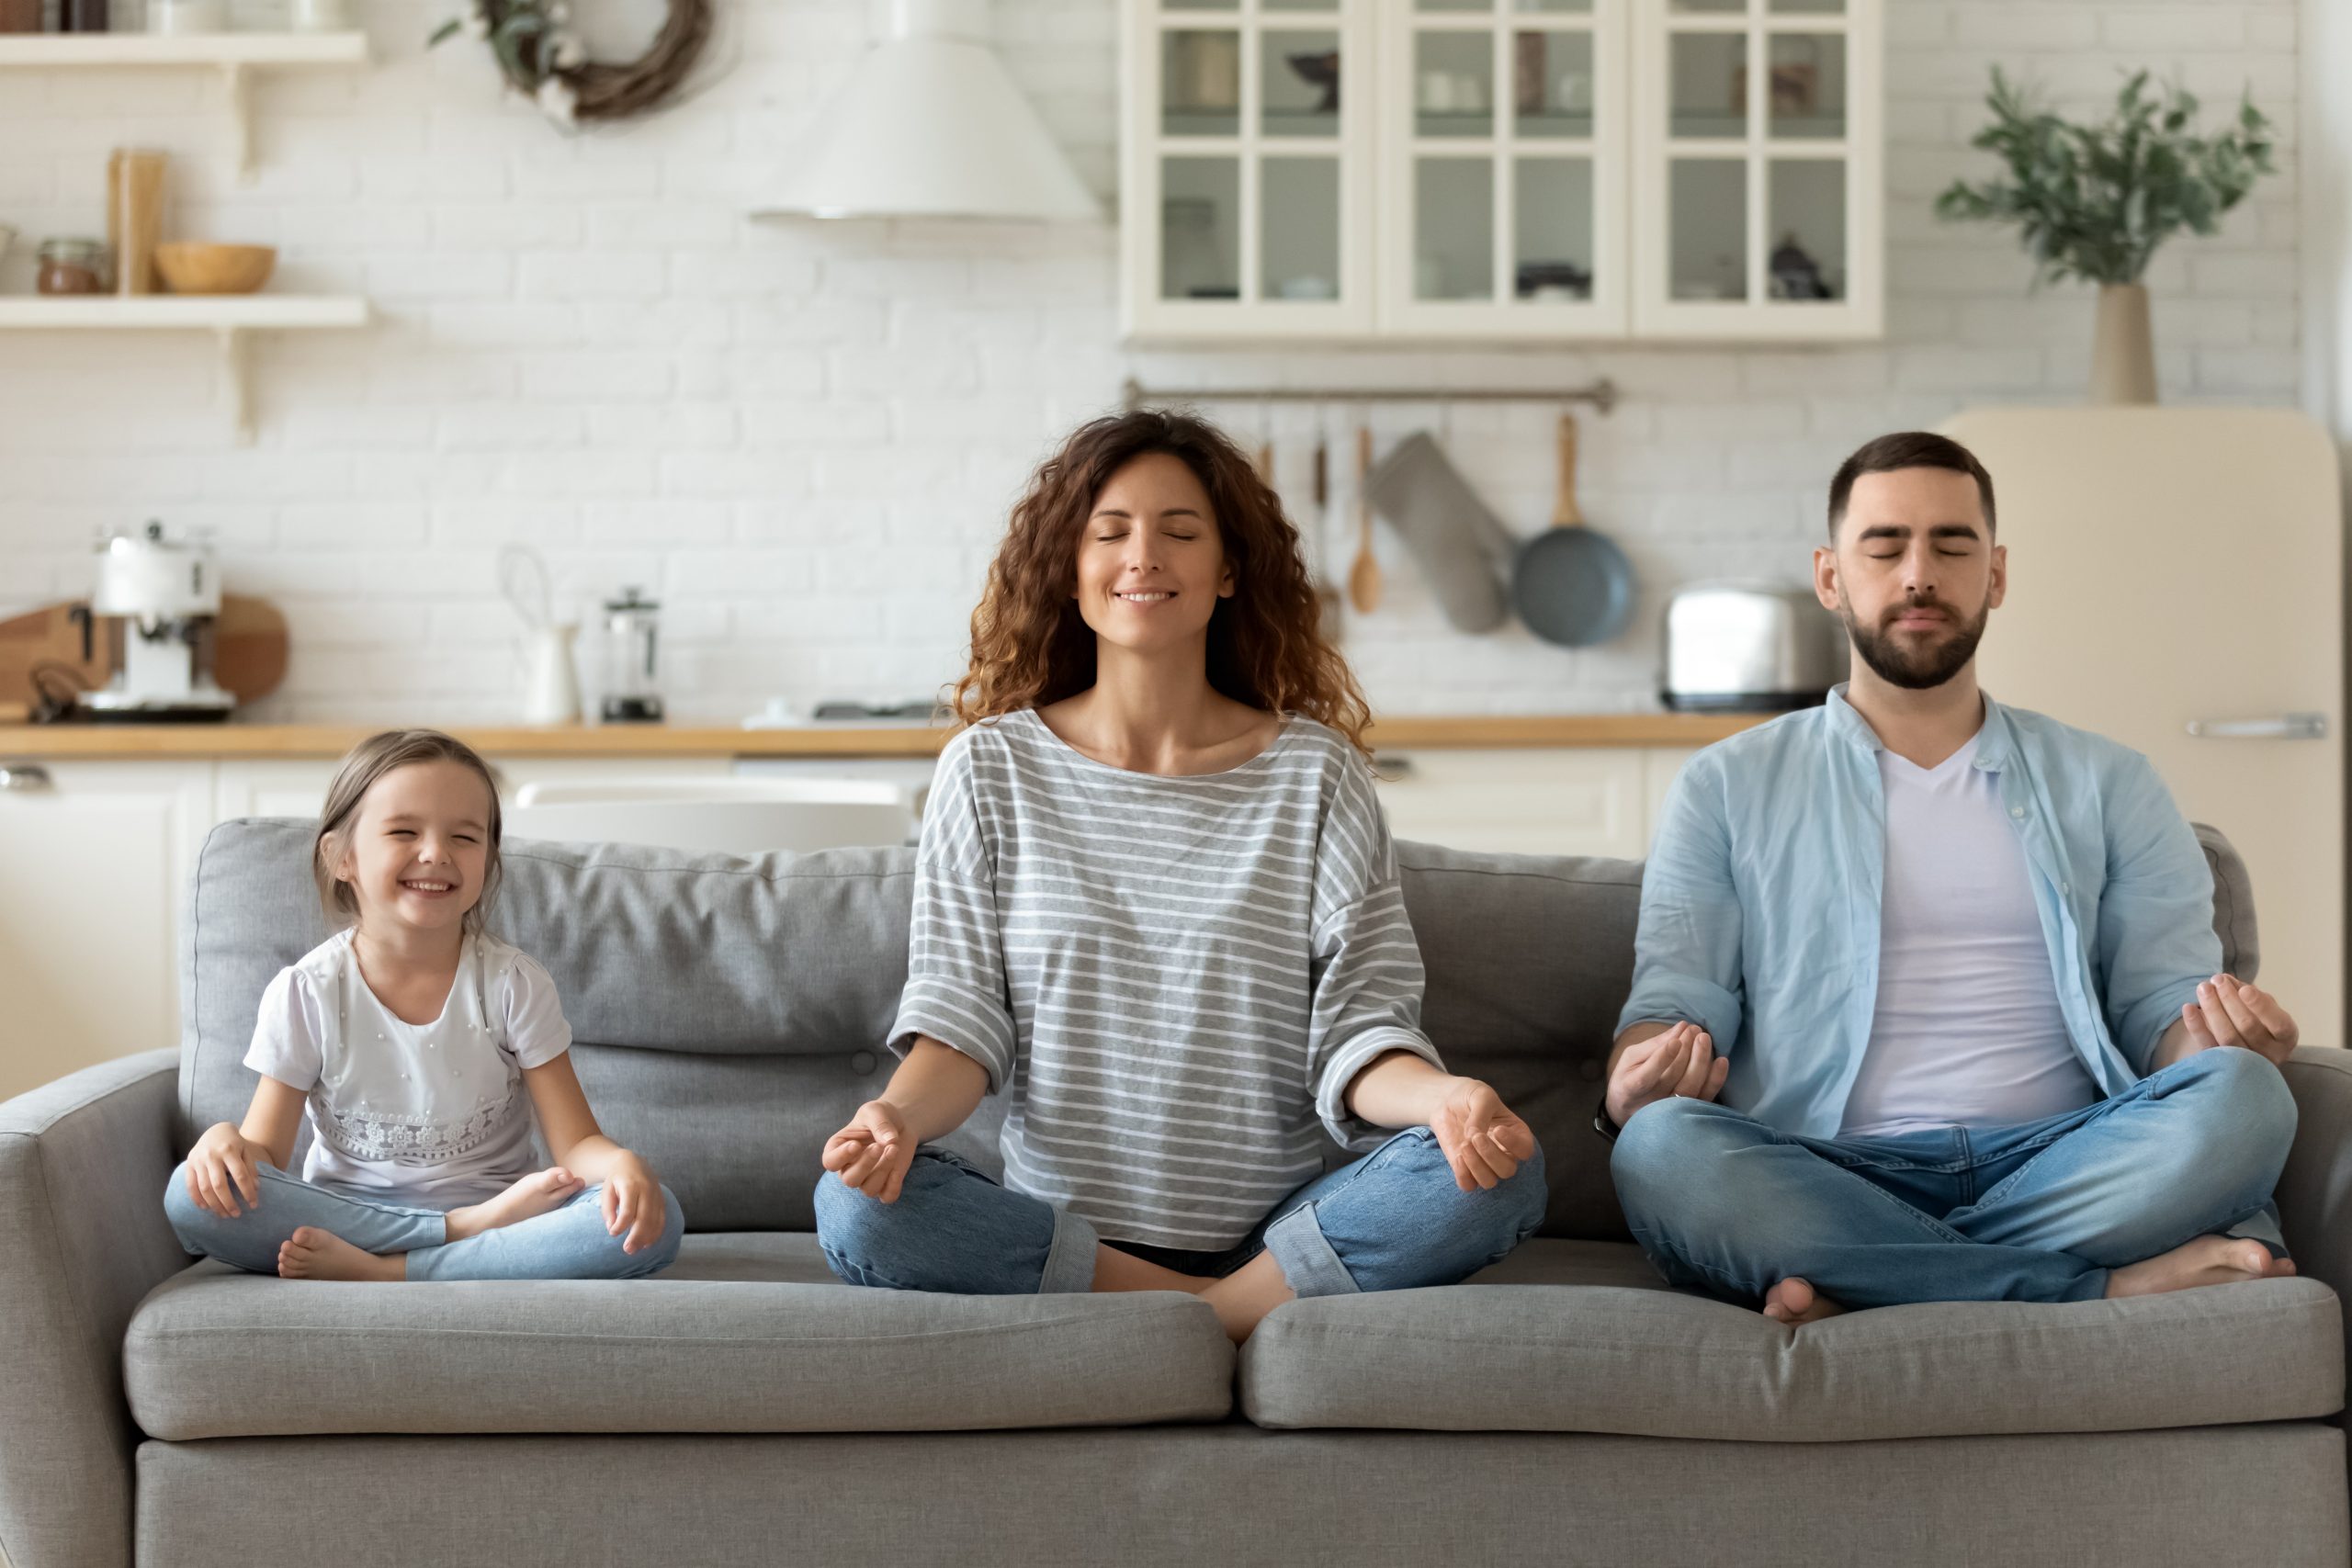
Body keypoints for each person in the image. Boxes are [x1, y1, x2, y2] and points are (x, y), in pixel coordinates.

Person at [812, 409, 1547, 1342]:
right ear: (1068, 569)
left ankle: (1182, 1316)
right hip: (1065, 1231)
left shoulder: (1313, 774)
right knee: (855, 1206)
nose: (1142, 556)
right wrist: (892, 1118)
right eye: (1109, 532)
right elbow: (960, 1025)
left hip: (1278, 1229)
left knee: (1502, 1171)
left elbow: (1360, 1030)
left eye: (1180, 532)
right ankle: (1220, 1322)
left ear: (1228, 570)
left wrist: (1444, 1099)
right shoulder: (990, 768)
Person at [1604, 431, 2301, 1323]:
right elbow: (1675, 1002)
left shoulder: (2112, 783)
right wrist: (1635, 1081)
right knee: (1661, 1149)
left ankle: (1868, 1280)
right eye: (1884, 546)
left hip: (2061, 1156)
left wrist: (2219, 1045)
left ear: (1996, 575)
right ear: (1830, 576)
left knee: (2246, 1098)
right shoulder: (1725, 786)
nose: (1917, 574)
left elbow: (2159, 1014)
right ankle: (2096, 1287)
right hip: (1826, 1164)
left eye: (1951, 545)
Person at [164, 728, 683, 1281]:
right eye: (404, 831)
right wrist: (225, 1144)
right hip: (368, 1219)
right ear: (341, 857)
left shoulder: (514, 984)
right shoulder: (307, 991)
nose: (436, 853)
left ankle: (393, 1270)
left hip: (507, 1217)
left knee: (659, 1219)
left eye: (465, 837)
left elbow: (577, 1143)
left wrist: (621, 1164)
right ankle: (458, 1236)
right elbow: (263, 1151)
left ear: (488, 859)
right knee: (188, 1197)